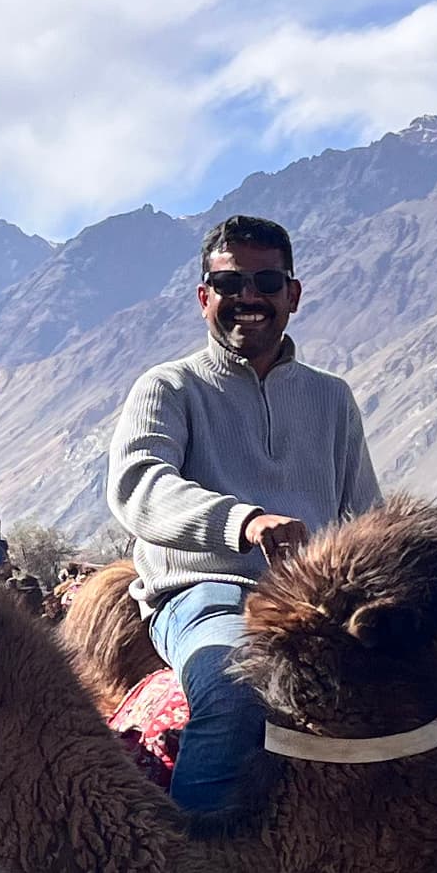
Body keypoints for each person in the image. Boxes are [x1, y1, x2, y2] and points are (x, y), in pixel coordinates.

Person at [107, 214, 380, 829]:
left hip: (315, 602)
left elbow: (365, 515)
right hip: (204, 595)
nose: (248, 298)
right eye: (229, 285)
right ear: (204, 297)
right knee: (237, 693)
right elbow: (136, 485)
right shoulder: (169, 387)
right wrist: (243, 521)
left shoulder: (331, 398)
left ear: (293, 295)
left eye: (266, 282)